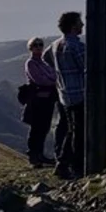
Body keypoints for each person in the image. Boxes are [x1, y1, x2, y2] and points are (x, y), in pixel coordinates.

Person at [51, 11, 86, 179]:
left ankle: (63, 163)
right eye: (79, 23)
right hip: (79, 93)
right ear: (73, 26)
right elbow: (86, 68)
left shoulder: (55, 45)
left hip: (64, 94)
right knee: (79, 133)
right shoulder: (76, 46)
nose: (82, 25)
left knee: (71, 130)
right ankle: (76, 167)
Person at [22, 37, 57, 168]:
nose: (38, 47)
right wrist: (53, 81)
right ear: (30, 48)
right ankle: (33, 156)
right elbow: (40, 80)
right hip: (37, 100)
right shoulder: (30, 63)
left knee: (44, 128)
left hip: (47, 100)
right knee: (36, 128)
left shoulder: (44, 64)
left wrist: (51, 80)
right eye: (35, 45)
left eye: (40, 45)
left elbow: (52, 76)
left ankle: (40, 154)